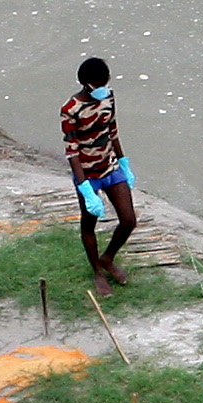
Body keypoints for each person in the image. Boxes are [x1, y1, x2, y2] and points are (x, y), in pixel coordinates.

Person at [61, 56, 138, 287]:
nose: (104, 87)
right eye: (101, 83)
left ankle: (108, 258)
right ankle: (97, 272)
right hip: (87, 174)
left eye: (107, 81)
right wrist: (85, 187)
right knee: (89, 223)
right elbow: (72, 151)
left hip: (111, 167)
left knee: (128, 220)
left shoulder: (109, 97)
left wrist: (123, 163)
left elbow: (112, 130)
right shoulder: (70, 109)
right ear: (88, 84)